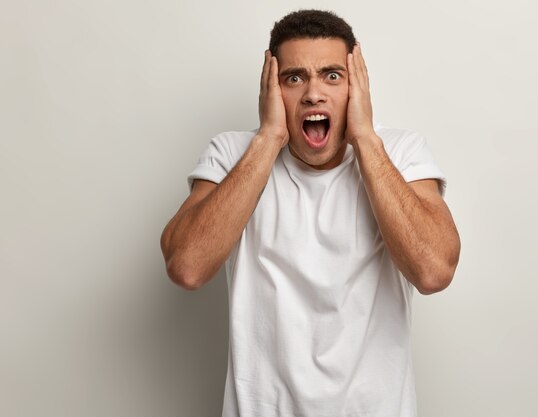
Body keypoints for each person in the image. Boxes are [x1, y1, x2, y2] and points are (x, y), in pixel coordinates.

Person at [160, 9, 460, 417]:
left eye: (333, 76)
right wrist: (268, 138)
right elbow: (187, 267)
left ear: (358, 86)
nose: (313, 94)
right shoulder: (233, 154)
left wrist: (366, 139)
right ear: (270, 87)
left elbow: (434, 271)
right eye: (294, 78)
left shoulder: (400, 153)